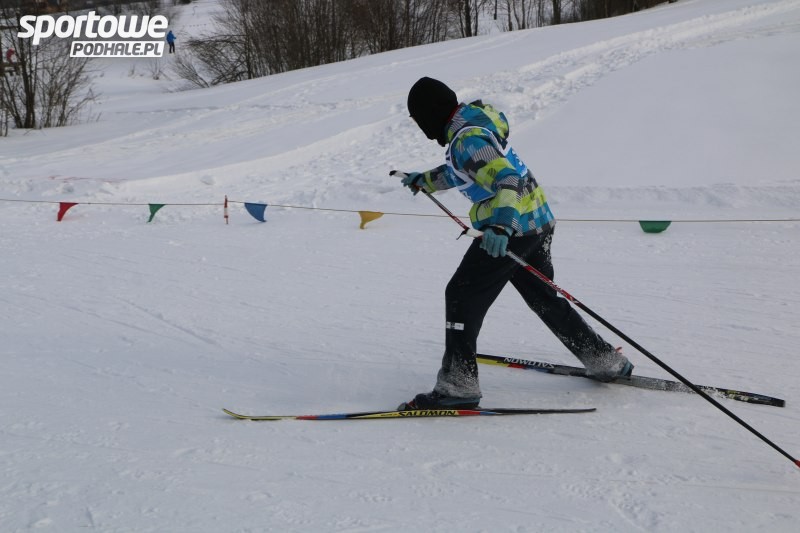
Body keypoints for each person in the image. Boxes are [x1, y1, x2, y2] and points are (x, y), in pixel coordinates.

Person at [393, 77, 632, 410]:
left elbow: (508, 180)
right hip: (537, 221)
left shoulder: (467, 141)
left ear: (429, 114)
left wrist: (502, 227)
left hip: (511, 230)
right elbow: (469, 171)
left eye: (418, 118)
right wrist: (426, 180)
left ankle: (458, 386)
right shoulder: (473, 128)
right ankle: (604, 360)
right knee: (543, 297)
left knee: (462, 294)